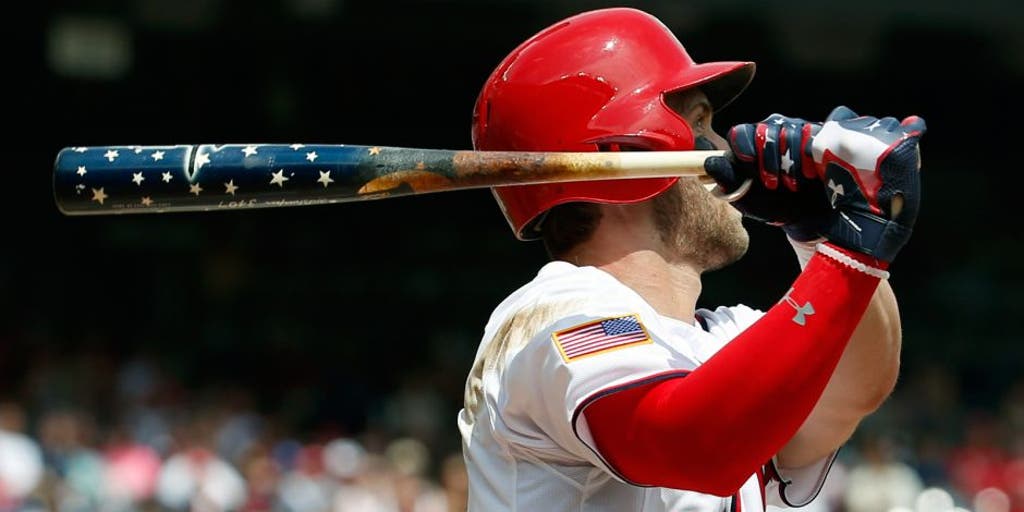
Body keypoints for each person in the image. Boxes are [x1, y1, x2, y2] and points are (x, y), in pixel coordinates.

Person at [457, 7, 926, 512]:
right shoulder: (555, 312)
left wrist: (819, 235)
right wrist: (850, 256)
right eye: (700, 120)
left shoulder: (721, 336)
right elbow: (693, 447)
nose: (725, 146)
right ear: (626, 153)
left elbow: (857, 387)